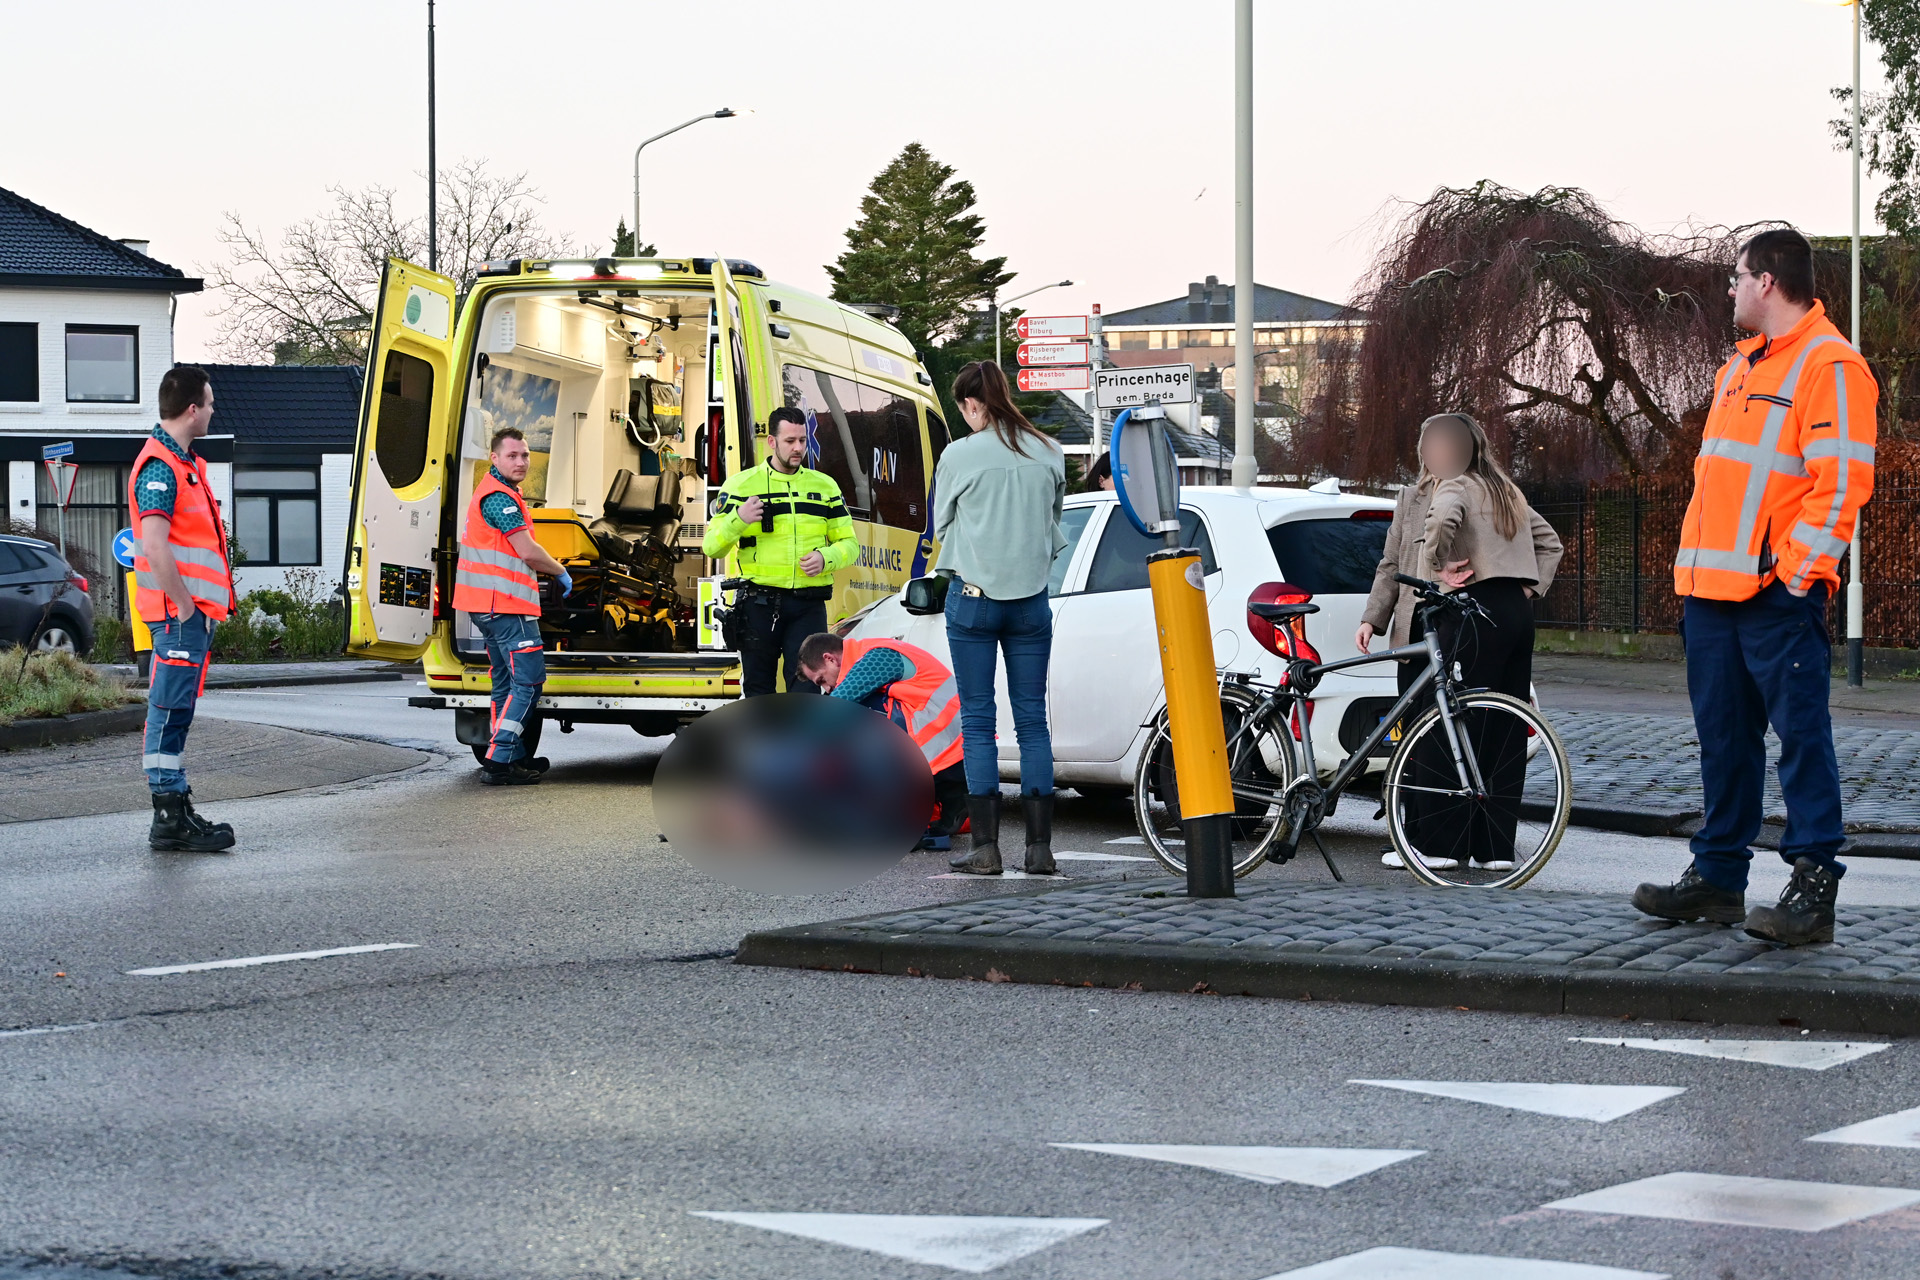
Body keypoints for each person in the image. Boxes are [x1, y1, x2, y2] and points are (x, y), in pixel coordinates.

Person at [1633, 228, 1877, 947]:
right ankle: (1717, 878)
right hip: (1711, 592)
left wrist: (1793, 574)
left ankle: (1811, 888)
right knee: (1724, 743)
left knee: (1801, 739)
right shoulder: (1737, 370)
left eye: (1737, 278)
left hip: (1773, 595)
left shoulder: (1830, 364)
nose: (1731, 290)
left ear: (1767, 281)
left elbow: (1842, 486)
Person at [1357, 412, 1562, 872]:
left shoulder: (1458, 489)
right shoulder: (1497, 490)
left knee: (1436, 731)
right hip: (1473, 620)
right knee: (1497, 728)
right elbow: (1391, 565)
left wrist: (1440, 575)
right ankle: (1492, 848)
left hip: (1448, 620)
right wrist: (1374, 617)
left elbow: (1546, 544)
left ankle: (1437, 845)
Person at [932, 361, 1067, 876]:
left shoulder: (960, 455)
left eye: (963, 408)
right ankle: (1040, 849)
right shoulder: (1049, 450)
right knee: (1033, 721)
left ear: (971, 404)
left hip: (973, 600)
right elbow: (1054, 518)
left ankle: (985, 850)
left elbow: (941, 520)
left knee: (978, 721)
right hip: (1031, 602)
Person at [130, 366, 238, 851]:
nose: (213, 411)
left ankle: (174, 808)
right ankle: (168, 817)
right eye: (210, 404)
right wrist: (186, 608)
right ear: (192, 409)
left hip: (188, 615)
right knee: (169, 710)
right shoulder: (161, 467)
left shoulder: (186, 464)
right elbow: (154, 546)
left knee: (177, 710)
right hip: (178, 616)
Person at [703, 407, 858, 697]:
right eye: (790, 441)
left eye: (802, 440)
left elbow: (850, 545)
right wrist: (739, 519)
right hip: (758, 604)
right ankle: (761, 744)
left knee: (807, 687)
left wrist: (826, 558)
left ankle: (805, 744)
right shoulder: (741, 485)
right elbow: (712, 546)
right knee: (758, 688)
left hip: (807, 606)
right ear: (772, 442)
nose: (798, 448)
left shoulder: (825, 487)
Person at [452, 427, 572, 785]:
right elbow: (527, 551)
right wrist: (561, 570)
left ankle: (512, 758)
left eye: (525, 456)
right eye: (512, 456)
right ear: (495, 458)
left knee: (504, 682)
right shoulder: (500, 499)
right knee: (529, 683)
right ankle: (500, 758)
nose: (520, 462)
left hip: (486, 608)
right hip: (507, 608)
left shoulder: (494, 493)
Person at [795, 631, 971, 853]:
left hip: (950, 748)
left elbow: (835, 706)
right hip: (951, 753)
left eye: (822, 679)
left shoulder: (877, 656)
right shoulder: (874, 652)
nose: (827, 687)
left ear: (830, 658)